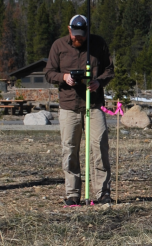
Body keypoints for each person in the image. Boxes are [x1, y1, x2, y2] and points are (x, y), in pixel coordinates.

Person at [44, 14, 114, 206]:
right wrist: (64, 77)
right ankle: (72, 193)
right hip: (69, 106)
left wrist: (99, 82)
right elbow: (49, 73)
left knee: (99, 146)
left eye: (82, 35)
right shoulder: (58, 46)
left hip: (94, 104)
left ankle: (102, 192)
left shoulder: (98, 44)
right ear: (69, 30)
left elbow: (110, 70)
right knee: (69, 149)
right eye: (75, 35)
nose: (78, 38)